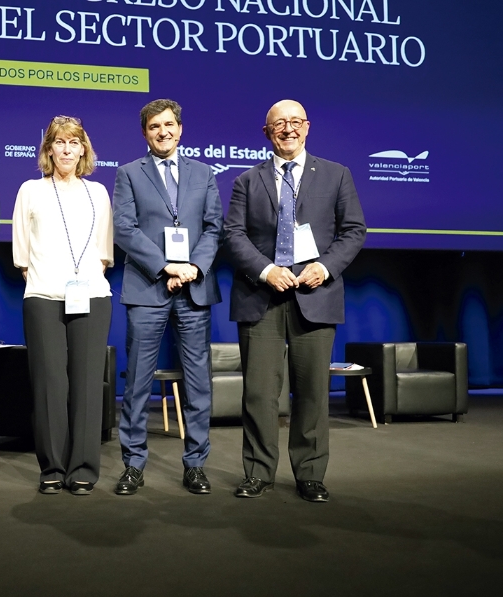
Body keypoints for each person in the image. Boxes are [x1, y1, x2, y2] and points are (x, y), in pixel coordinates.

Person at [223, 99, 366, 502]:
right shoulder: (247, 180)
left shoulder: (336, 174)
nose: (288, 129)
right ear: (266, 132)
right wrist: (266, 270)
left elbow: (353, 230)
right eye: (279, 124)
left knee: (312, 393)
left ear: (307, 127)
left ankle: (310, 474)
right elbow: (233, 234)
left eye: (296, 122)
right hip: (260, 297)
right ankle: (258, 472)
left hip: (315, 295)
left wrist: (326, 267)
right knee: (259, 394)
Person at [112, 99, 223, 495]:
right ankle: (133, 465)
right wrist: (166, 267)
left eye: (169, 125)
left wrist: (193, 267)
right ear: (145, 133)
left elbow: (214, 227)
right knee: (138, 383)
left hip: (194, 288)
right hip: (148, 288)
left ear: (180, 129)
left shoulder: (204, 172)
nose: (163, 132)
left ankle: (196, 465)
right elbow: (124, 229)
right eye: (155, 126)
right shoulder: (128, 173)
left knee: (198, 384)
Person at [12, 116, 113, 496]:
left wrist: (82, 279)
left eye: (74, 142)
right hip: (42, 296)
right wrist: (48, 281)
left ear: (83, 149)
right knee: (49, 385)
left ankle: (83, 467)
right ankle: (52, 467)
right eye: (60, 142)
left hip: (92, 296)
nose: (67, 149)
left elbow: (104, 252)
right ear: (49, 149)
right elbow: (22, 255)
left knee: (87, 385)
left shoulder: (98, 192)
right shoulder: (30, 190)